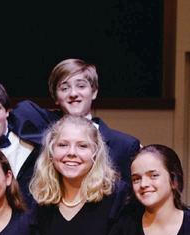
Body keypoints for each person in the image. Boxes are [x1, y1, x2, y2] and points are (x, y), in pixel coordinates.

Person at [9, 58, 140, 184]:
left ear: (94, 92)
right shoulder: (46, 130)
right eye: (64, 88)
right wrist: (55, 137)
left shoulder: (124, 145)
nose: (73, 94)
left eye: (81, 86)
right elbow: (22, 111)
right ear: (56, 97)